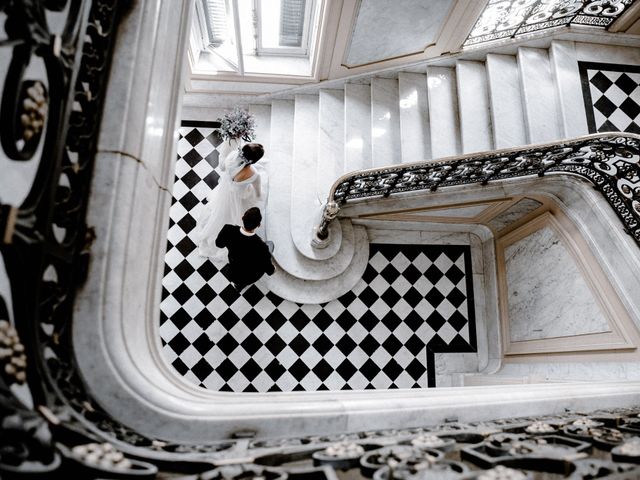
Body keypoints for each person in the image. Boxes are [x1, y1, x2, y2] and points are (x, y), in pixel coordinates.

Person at [194, 141, 267, 263]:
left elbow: (223, 167)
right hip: (240, 197)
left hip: (225, 191)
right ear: (253, 161)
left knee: (220, 212)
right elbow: (259, 194)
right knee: (236, 216)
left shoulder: (232, 156)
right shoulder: (254, 175)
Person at [215, 207, 275, 291]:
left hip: (233, 272)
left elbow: (219, 244)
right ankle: (240, 285)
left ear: (242, 217)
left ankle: (238, 285)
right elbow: (269, 271)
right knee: (270, 245)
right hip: (249, 277)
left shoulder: (228, 229)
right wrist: (273, 269)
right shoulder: (261, 247)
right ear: (258, 225)